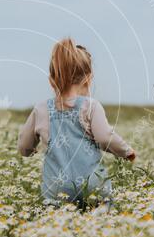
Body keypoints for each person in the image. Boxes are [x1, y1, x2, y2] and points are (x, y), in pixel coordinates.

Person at [17, 37, 136, 207]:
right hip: (92, 185)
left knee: (55, 222)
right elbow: (105, 137)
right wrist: (126, 151)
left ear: (51, 80)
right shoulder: (91, 106)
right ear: (88, 78)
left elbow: (23, 145)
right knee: (104, 213)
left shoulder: (41, 109)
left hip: (57, 189)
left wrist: (29, 151)